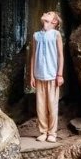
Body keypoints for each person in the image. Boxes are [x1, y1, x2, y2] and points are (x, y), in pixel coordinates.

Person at [29, 11, 64, 143]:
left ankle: (52, 133)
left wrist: (60, 74)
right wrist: (31, 75)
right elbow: (33, 56)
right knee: (40, 106)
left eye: (48, 13)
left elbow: (60, 55)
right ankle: (43, 131)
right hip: (39, 76)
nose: (44, 13)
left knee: (52, 105)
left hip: (52, 76)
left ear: (54, 21)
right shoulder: (36, 36)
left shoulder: (56, 34)